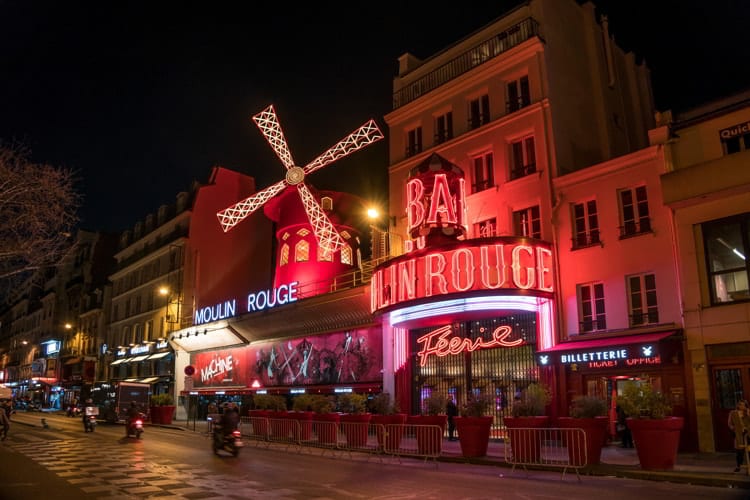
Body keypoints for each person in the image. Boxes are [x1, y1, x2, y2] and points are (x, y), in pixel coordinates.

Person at [728, 399, 750, 473]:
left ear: (746, 405)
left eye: (743, 405)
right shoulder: (733, 413)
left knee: (749, 450)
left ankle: (748, 467)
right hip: (738, 434)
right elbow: (730, 423)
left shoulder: (748, 412)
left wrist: (748, 413)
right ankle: (738, 466)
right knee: (739, 451)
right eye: (740, 404)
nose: (741, 406)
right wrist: (733, 428)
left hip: (748, 434)